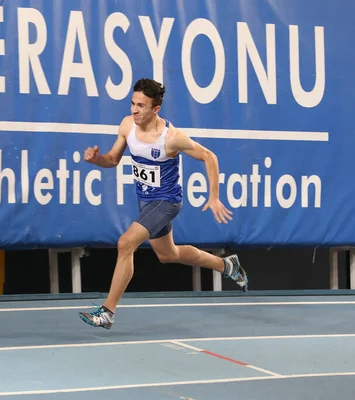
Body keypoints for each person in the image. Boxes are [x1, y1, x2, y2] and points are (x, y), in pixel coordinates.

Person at [78, 78, 248, 329]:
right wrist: (97, 160)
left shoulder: (171, 138)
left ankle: (107, 312)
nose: (134, 110)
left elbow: (209, 157)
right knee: (169, 254)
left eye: (141, 106)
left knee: (126, 244)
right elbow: (113, 159)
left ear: (155, 109)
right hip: (146, 202)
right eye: (132, 104)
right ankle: (226, 265)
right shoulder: (127, 126)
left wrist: (213, 196)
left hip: (167, 201)